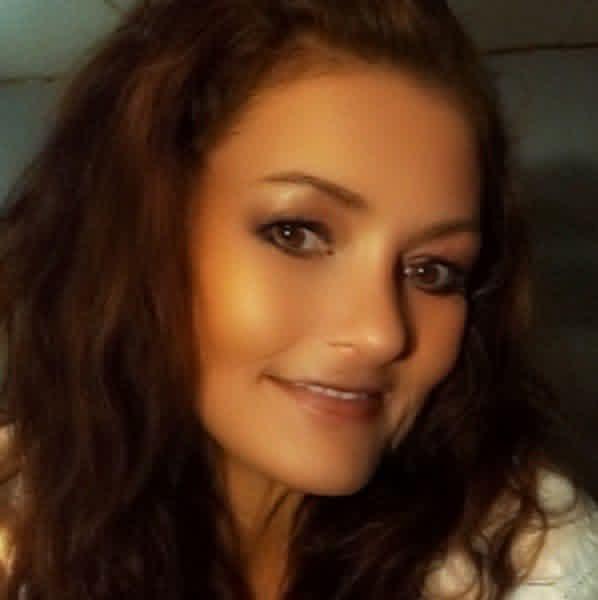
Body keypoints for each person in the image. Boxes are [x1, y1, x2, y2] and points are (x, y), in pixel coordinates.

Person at [0, 0, 596, 598]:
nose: (382, 333)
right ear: (136, 237)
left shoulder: (537, 564)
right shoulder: (21, 525)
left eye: (432, 271)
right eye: (297, 234)